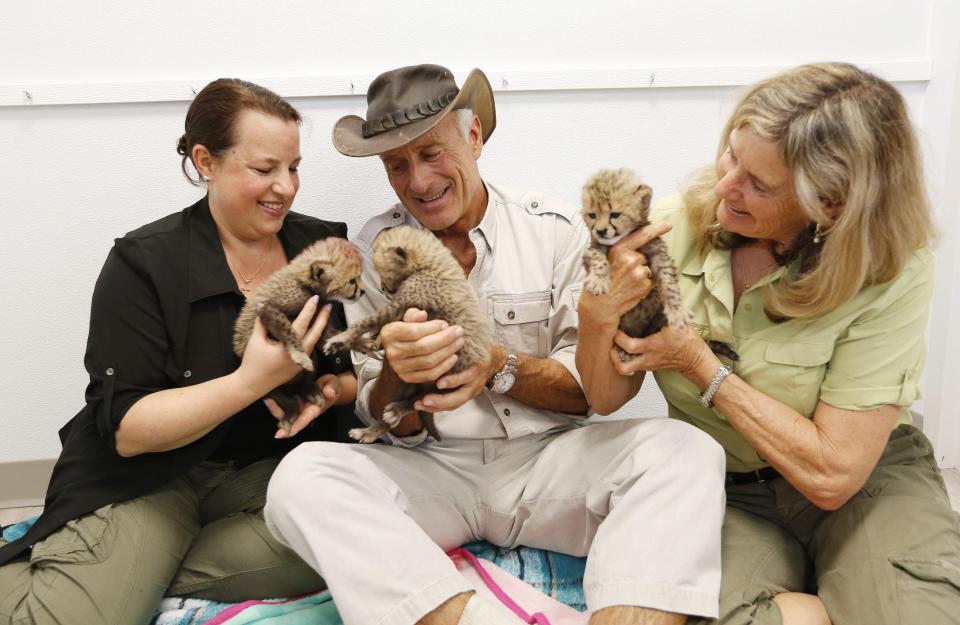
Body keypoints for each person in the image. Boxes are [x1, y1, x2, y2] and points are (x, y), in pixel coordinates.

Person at [264, 64, 726, 625]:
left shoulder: (554, 230)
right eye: (397, 165)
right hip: (432, 471)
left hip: (549, 464)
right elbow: (387, 420)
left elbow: (586, 394)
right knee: (300, 478)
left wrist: (497, 365)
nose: (418, 181)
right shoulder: (370, 250)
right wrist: (399, 374)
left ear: (474, 137)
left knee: (687, 450)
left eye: (432, 153)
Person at [576, 62, 960, 625]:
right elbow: (607, 397)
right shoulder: (668, 230)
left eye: (759, 183)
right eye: (732, 155)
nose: (724, 187)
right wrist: (595, 318)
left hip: (865, 482)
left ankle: (859, 581)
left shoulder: (892, 269)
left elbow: (834, 475)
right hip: (730, 488)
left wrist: (698, 364)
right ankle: (840, 596)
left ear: (830, 203)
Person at [0, 79, 358, 625]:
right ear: (205, 161)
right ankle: (97, 569)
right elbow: (127, 431)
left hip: (267, 474)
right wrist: (251, 382)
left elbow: (354, 372)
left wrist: (331, 390)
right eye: (264, 169)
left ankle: (137, 569)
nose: (285, 187)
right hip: (154, 477)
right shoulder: (144, 263)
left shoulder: (320, 247)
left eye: (293, 167)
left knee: (359, 541)